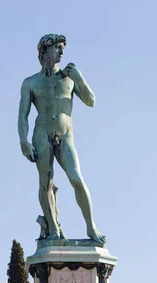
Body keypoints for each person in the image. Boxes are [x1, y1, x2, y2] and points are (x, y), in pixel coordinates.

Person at [18, 33, 106, 244]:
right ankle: (53, 228)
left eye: (62, 47)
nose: (62, 51)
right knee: (45, 183)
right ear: (45, 50)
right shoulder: (31, 82)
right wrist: (24, 141)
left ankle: (91, 228)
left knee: (76, 178)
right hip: (41, 134)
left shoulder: (69, 77)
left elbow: (91, 101)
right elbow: (22, 115)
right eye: (57, 47)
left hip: (66, 136)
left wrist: (79, 78)